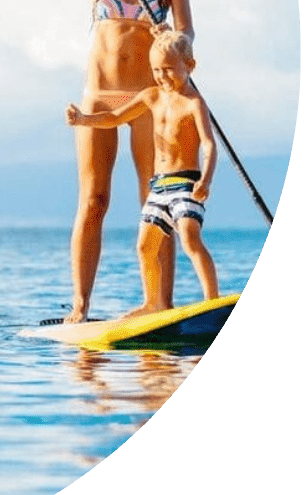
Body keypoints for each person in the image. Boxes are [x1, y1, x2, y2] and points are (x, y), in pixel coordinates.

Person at [34, 0, 193, 322]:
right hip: (100, 96)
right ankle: (81, 307)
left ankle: (160, 303)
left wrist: (173, 42)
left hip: (151, 100)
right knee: (94, 199)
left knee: (155, 199)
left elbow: (188, 34)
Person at [66, 30, 218, 316]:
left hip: (186, 184)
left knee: (189, 236)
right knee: (145, 247)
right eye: (157, 70)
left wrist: (206, 180)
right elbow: (115, 117)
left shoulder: (194, 103)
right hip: (158, 188)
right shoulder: (151, 97)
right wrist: (84, 119)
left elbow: (210, 145)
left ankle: (212, 302)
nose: (162, 76)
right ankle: (153, 302)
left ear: (190, 66)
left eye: (169, 70)